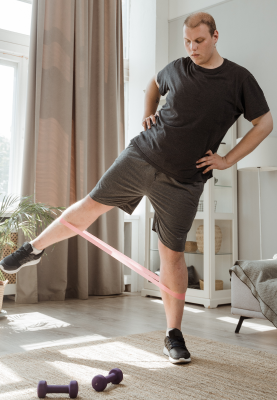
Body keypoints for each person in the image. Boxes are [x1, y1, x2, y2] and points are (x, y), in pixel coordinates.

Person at [0, 11, 273, 364]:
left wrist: (227, 159)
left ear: (216, 36)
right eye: (187, 41)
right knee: (89, 205)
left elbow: (264, 123)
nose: (192, 48)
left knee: (172, 254)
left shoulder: (238, 79)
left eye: (199, 41)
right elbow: (153, 85)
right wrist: (148, 112)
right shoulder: (176, 67)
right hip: (142, 155)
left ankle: (173, 335)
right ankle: (33, 249)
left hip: (185, 180)